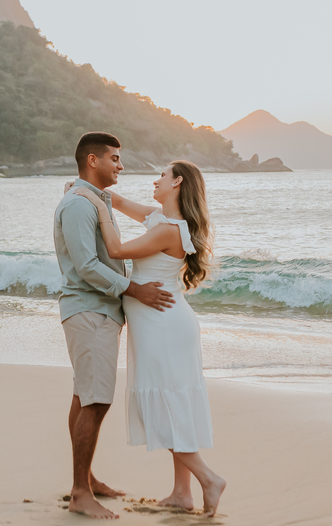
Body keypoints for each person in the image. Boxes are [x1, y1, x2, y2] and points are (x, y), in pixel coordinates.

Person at [72, 158, 227, 517]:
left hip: (163, 326)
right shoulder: (160, 219)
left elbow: (115, 249)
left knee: (164, 407)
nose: (155, 181)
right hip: (165, 322)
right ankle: (181, 493)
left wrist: (93, 203)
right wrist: (92, 190)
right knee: (175, 402)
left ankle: (208, 479)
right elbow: (121, 203)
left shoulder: (168, 230)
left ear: (177, 183)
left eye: (161, 175)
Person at [54, 132, 176, 520]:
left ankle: (86, 480)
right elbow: (88, 267)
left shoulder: (94, 199)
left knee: (84, 395)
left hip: (99, 311)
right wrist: (135, 289)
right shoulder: (77, 205)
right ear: (93, 160)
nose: (120, 166)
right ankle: (79, 493)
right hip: (88, 309)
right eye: (115, 159)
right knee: (96, 399)